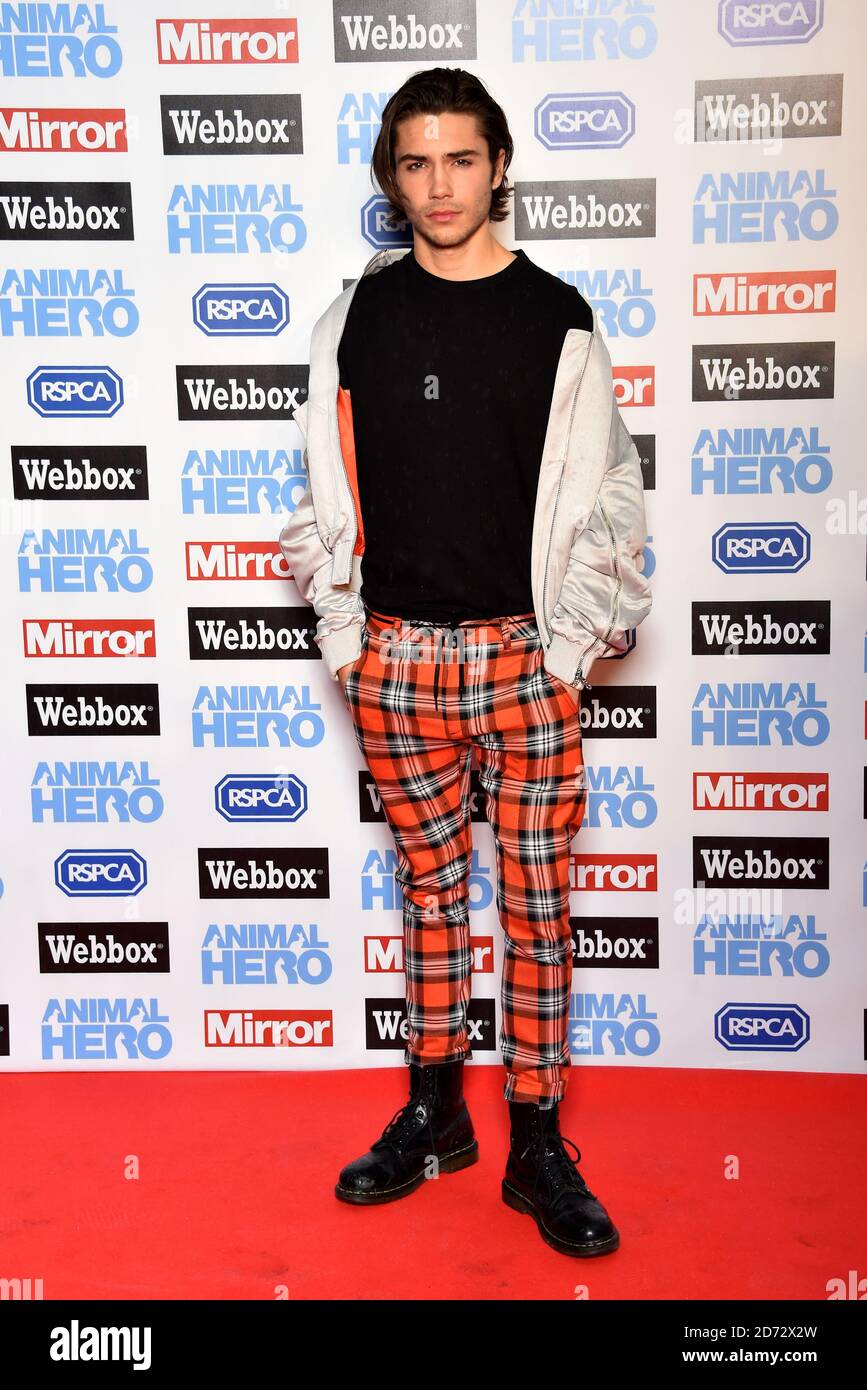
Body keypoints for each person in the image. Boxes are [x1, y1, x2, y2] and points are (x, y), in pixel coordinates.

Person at [279, 66, 652, 1258]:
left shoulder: (559, 317)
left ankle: (536, 1135)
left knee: (538, 905)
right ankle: (436, 1112)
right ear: (392, 179)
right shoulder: (356, 320)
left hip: (521, 661)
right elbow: (321, 493)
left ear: (498, 167)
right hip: (395, 660)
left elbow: (610, 502)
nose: (438, 185)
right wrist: (349, 645)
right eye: (413, 162)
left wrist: (572, 647)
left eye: (459, 159)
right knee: (430, 896)